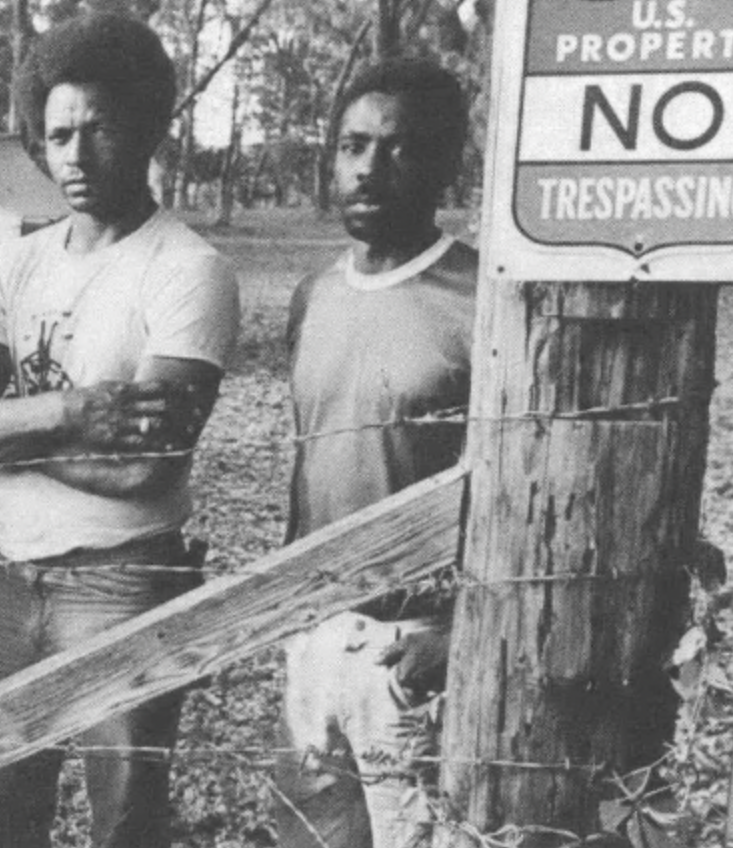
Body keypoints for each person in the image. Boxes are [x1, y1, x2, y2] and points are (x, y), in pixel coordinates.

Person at [0, 13, 240, 848]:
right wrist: (72, 411)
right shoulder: (16, 264)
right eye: (57, 133)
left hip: (124, 583)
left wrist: (5, 442)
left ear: (146, 127)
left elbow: (147, 467)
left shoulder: (187, 269)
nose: (75, 153)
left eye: (98, 129)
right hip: (11, 581)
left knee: (126, 823)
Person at [273, 57, 476, 848]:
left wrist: (460, 632)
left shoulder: (479, 299)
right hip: (313, 635)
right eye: (353, 145)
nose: (368, 167)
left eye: (398, 149)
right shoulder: (315, 295)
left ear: (441, 164)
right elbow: (311, 462)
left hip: (411, 648)